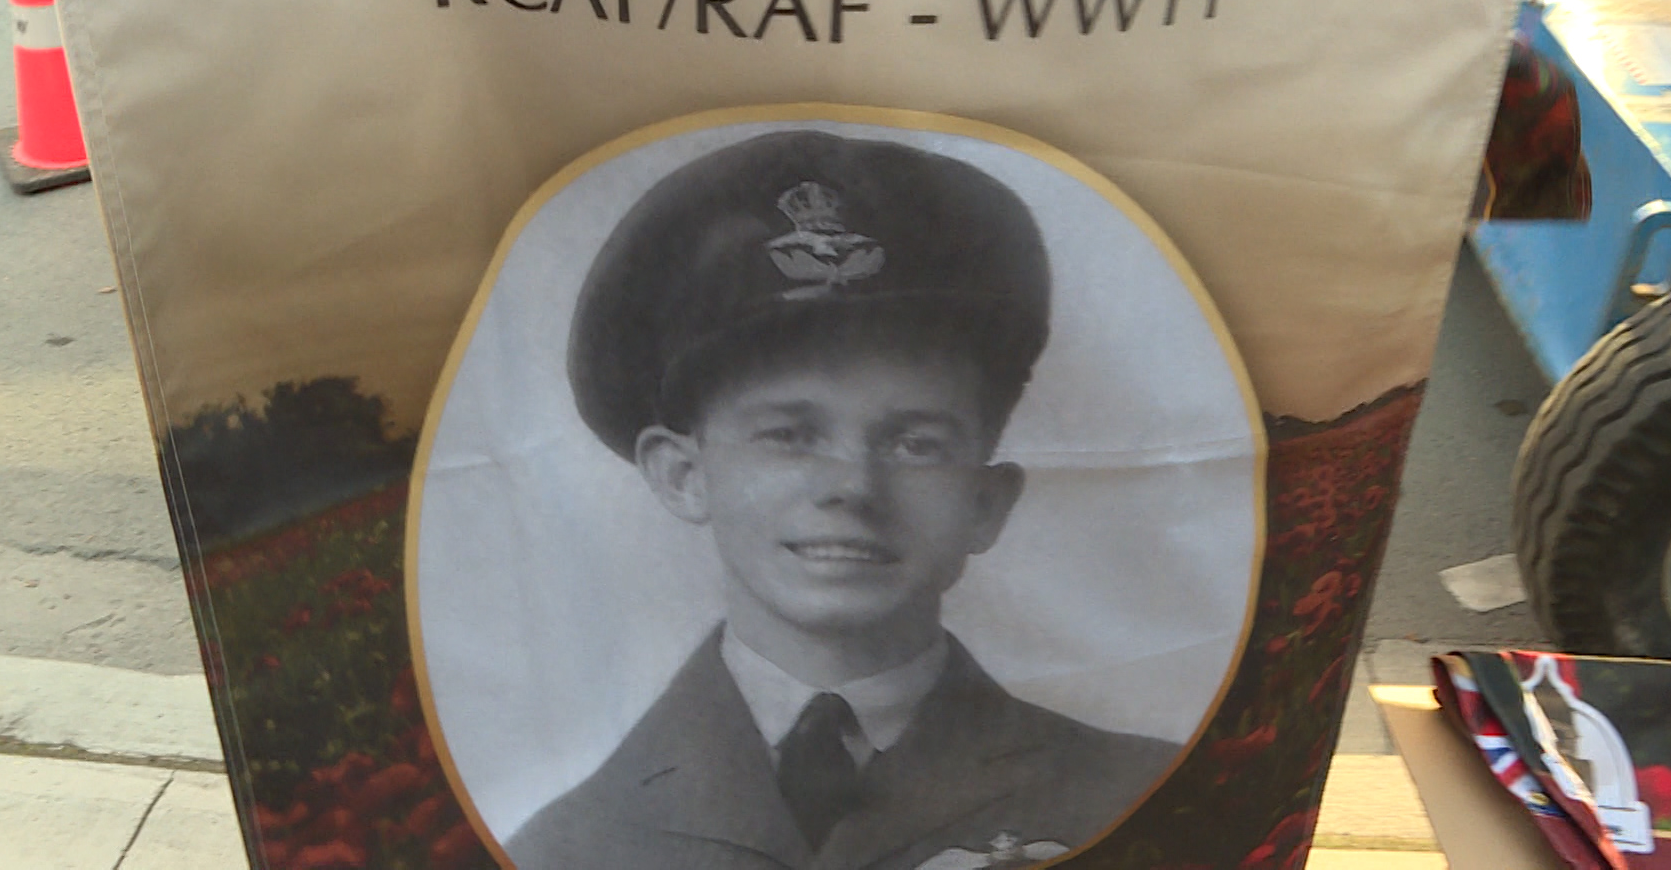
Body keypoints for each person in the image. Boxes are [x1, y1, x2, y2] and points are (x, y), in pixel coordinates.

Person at [504, 129, 1181, 870]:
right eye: (788, 435)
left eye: (915, 443)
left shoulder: (1144, 797)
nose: (852, 486)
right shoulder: (568, 849)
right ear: (683, 475)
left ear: (987, 503)